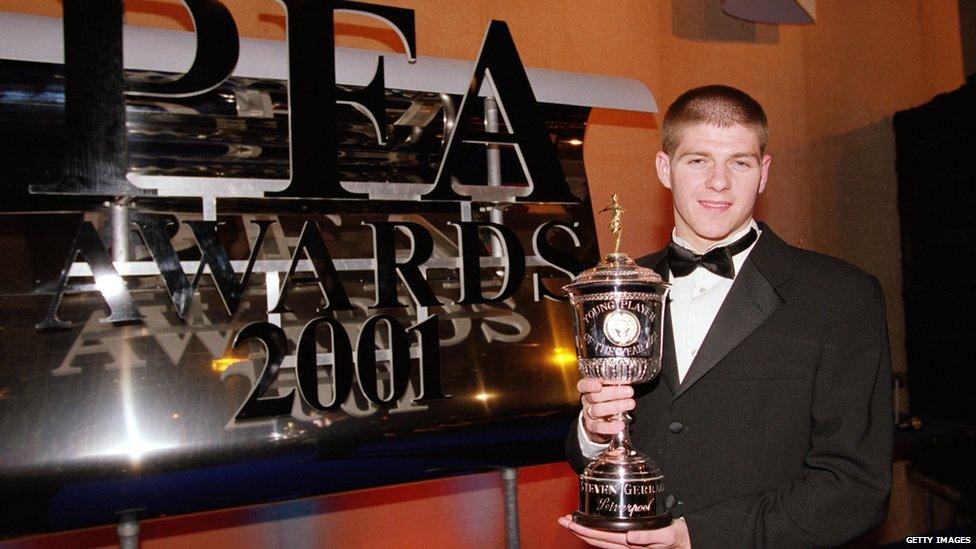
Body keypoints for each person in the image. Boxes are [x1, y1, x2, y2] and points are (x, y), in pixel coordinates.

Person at [558, 85, 892, 548]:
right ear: (664, 169)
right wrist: (592, 432)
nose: (719, 182)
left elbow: (857, 486)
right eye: (697, 160)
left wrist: (695, 537)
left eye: (739, 162)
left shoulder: (840, 296)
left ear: (763, 173)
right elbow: (598, 451)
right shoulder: (617, 288)